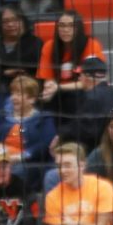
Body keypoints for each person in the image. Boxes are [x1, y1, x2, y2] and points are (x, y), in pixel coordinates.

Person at [36, 11, 105, 142]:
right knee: (43, 101)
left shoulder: (91, 44)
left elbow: (91, 82)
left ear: (78, 28)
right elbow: (48, 78)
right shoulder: (49, 46)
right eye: (61, 26)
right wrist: (49, 89)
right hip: (59, 93)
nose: (65, 30)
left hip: (85, 92)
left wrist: (58, 87)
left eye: (70, 26)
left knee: (75, 98)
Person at [0, 74, 54, 191]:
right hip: (1, 159)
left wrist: (20, 157)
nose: (14, 98)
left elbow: (44, 145)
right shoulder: (2, 116)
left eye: (19, 94)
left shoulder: (44, 118)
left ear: (32, 99)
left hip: (28, 163)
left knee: (17, 170)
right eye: (13, 93)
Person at [69, 57, 113, 154]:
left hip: (98, 153)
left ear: (87, 77)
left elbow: (82, 131)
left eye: (80, 75)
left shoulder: (91, 97)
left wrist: (61, 135)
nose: (79, 78)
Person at [0, 6, 42, 100]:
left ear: (23, 21)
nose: (10, 24)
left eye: (15, 20)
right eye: (5, 21)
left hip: (27, 93)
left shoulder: (35, 42)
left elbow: (30, 64)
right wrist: (4, 72)